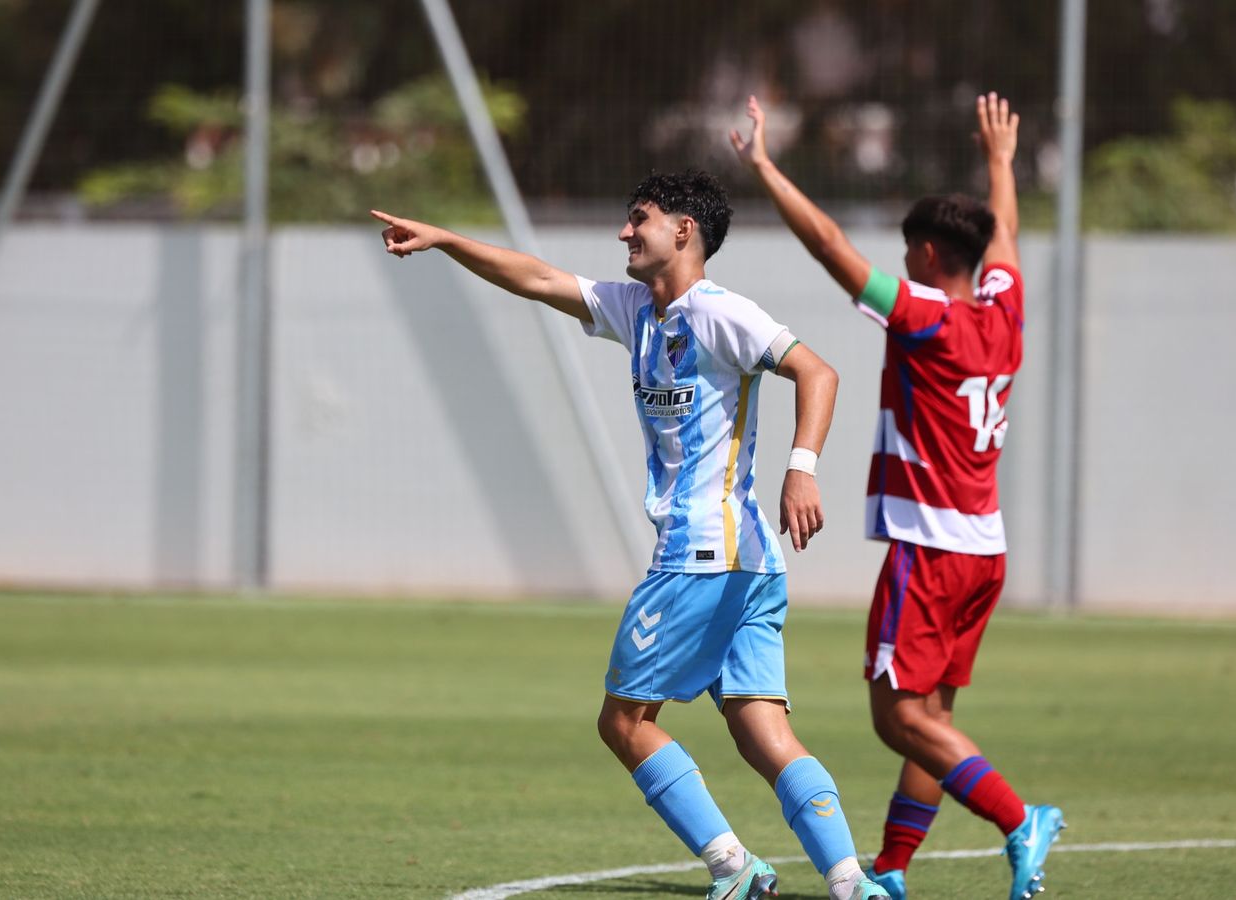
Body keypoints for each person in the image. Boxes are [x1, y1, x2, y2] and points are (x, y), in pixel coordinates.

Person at [373, 171, 890, 900]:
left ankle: (734, 867)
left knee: (622, 722)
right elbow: (536, 277)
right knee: (761, 733)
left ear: (683, 230)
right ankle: (848, 883)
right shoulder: (637, 309)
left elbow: (818, 371)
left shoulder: (720, 313)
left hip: (699, 557)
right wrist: (447, 239)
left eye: (637, 219)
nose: (624, 232)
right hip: (749, 562)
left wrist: (801, 469)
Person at [731, 93, 1065, 900]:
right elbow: (1009, 235)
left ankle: (1021, 820)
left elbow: (831, 245)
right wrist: (1000, 161)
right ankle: (892, 870)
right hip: (984, 550)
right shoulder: (1005, 314)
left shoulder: (928, 319)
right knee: (933, 723)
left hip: (933, 551)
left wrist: (765, 168)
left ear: (922, 253)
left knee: (895, 717)